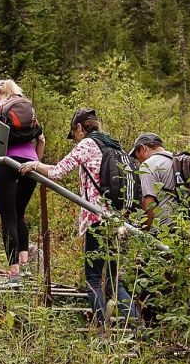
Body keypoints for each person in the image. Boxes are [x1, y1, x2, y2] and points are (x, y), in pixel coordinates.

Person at [20, 109, 139, 326]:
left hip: (97, 219)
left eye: (74, 133)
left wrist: (35, 165)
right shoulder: (113, 145)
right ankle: (139, 331)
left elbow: (58, 171)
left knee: (93, 278)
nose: (74, 138)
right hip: (120, 220)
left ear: (79, 128)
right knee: (115, 283)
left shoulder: (88, 144)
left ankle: (102, 329)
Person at [0, 79, 43, 287]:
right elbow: (41, 139)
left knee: (7, 215)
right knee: (20, 214)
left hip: (7, 162)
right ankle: (25, 266)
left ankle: (13, 274)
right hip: (30, 163)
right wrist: (37, 162)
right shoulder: (27, 106)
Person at [130, 133, 178, 230]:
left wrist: (144, 232)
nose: (138, 161)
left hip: (165, 229)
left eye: (136, 156)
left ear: (142, 148)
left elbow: (149, 204)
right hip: (185, 225)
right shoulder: (176, 160)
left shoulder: (147, 165)